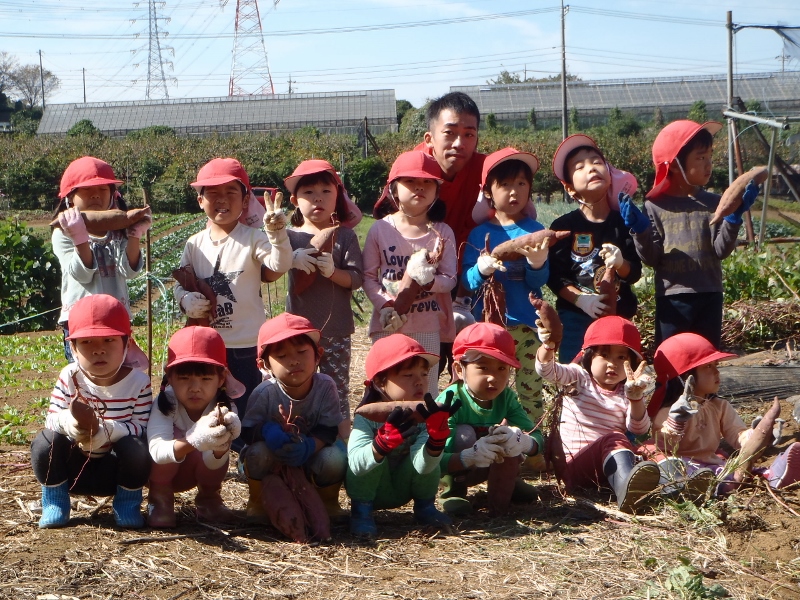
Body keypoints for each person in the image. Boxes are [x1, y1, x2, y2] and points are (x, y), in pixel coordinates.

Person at [172, 158, 292, 429]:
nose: (222, 199)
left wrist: (277, 235)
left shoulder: (253, 238)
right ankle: (212, 448)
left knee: (247, 408)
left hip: (246, 344)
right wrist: (185, 300)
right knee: (209, 405)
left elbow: (279, 264)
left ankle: (245, 447)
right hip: (207, 344)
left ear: (245, 199)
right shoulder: (194, 244)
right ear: (200, 200)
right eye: (213, 193)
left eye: (231, 192)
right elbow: (181, 283)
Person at [619, 120, 757, 347]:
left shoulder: (716, 203)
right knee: (672, 358)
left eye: (710, 156)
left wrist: (733, 218)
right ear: (674, 164)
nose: (709, 164)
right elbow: (651, 258)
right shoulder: (655, 206)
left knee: (706, 357)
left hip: (710, 294)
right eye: (701, 158)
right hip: (672, 298)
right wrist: (640, 230)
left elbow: (721, 251)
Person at [30, 294, 152, 529]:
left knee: (137, 448)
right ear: (73, 348)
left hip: (115, 472)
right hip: (73, 470)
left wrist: (108, 431)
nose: (98, 350)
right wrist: (72, 424)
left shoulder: (139, 382)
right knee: (45, 442)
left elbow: (141, 427)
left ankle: (127, 504)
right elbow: (52, 420)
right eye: (86, 342)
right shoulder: (69, 376)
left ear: (127, 344)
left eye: (109, 340)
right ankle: (55, 502)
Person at [647, 333, 800, 496]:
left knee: (725, 471)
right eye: (708, 367)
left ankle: (775, 473)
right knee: (677, 468)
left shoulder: (719, 406)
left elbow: (736, 434)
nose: (717, 372)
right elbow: (664, 445)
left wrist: (756, 434)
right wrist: (676, 422)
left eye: (716, 365)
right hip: (681, 463)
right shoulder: (669, 411)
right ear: (685, 376)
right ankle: (718, 485)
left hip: (710, 464)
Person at [535, 316, 660, 513]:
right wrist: (548, 346)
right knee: (614, 438)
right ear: (589, 356)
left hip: (609, 466)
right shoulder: (579, 378)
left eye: (621, 358)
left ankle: (676, 484)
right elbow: (547, 371)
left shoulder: (627, 392)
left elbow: (639, 429)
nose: (612, 364)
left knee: (651, 446)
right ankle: (628, 491)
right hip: (574, 467)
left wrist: (636, 399)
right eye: (604, 355)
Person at [462, 147, 549, 424]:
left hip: (527, 325)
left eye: (521, 184)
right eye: (506, 184)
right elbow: (467, 282)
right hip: (490, 327)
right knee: (487, 387)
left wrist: (537, 263)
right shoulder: (479, 233)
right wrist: (481, 269)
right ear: (488, 191)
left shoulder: (535, 231)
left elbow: (538, 282)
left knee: (530, 389)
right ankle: (486, 434)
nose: (514, 192)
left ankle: (532, 436)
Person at [240, 313, 347, 530]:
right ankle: (257, 502)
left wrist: (310, 446)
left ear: (318, 355)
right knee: (257, 453)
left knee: (334, 458)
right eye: (282, 356)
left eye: (302, 352)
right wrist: (267, 430)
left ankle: (328, 502)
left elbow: (329, 429)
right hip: (274, 457)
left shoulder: (326, 387)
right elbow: (247, 432)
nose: (294, 360)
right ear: (264, 365)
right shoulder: (264, 393)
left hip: (311, 454)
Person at [363, 150, 457, 397]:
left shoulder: (442, 232)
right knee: (384, 388)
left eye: (428, 182)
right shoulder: (380, 230)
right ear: (393, 189)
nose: (420, 187)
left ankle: (426, 424)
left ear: (437, 191)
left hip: (426, 326)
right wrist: (385, 306)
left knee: (425, 389)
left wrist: (429, 282)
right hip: (387, 324)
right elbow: (368, 277)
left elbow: (450, 279)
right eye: (410, 181)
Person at [283, 159, 364, 442]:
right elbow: (271, 269)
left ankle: (341, 442)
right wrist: (290, 258)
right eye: (309, 192)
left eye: (326, 191)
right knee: (297, 386)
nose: (318, 198)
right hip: (299, 333)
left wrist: (332, 272)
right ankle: (297, 439)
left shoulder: (345, 236)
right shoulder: (289, 238)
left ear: (337, 196)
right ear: (295, 201)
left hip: (336, 330)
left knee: (337, 389)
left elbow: (356, 278)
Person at [346, 334, 457, 538]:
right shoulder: (367, 417)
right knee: (369, 453)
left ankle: (425, 507)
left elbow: (424, 467)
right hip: (373, 491)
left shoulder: (425, 417)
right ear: (380, 382)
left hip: (405, 487)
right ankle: (361, 512)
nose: (419, 382)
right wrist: (379, 446)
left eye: (424, 374)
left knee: (427, 451)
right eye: (408, 375)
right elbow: (355, 465)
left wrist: (436, 442)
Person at [548, 134, 642, 363]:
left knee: (616, 373)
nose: (591, 168)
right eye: (579, 166)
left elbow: (635, 272)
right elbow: (555, 277)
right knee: (574, 372)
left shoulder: (623, 223)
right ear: (570, 188)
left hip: (618, 315)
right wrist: (582, 300)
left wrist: (621, 264)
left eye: (597, 162)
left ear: (610, 176)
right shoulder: (563, 227)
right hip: (576, 317)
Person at [52, 156, 151, 362]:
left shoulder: (119, 230)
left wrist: (134, 235)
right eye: (87, 189)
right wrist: (79, 237)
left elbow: (129, 271)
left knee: (116, 373)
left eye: (103, 189)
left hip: (115, 319)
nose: (95, 194)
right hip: (80, 321)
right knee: (85, 374)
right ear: (70, 197)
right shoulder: (63, 233)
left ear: (113, 195)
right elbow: (81, 274)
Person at [438, 322, 544, 516]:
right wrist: (470, 455)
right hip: (459, 466)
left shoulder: (507, 398)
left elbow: (536, 436)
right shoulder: (450, 401)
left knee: (508, 436)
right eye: (483, 367)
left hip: (493, 462)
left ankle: (507, 484)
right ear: (460, 369)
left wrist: (524, 442)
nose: (493, 377)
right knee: (464, 434)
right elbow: (437, 458)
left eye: (501, 368)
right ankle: (454, 490)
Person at [415, 91, 486, 377]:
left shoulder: (486, 170)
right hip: (423, 282)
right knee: (422, 365)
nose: (459, 143)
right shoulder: (413, 169)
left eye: (469, 134)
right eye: (450, 133)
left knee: (470, 364)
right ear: (429, 138)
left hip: (471, 279)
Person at [146, 326, 243, 527]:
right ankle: (160, 498)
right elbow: (157, 451)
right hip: (164, 474)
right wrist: (196, 439)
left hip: (198, 472)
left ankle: (209, 498)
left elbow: (216, 460)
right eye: (184, 378)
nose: (195, 388)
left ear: (221, 378)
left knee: (218, 441)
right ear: (170, 377)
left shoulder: (224, 408)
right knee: (182, 436)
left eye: (206, 379)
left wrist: (221, 444)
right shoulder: (166, 404)